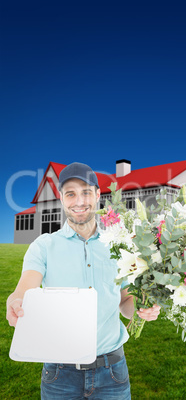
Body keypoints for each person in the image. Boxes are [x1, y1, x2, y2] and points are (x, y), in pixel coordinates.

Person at [6, 162, 160, 400]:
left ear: (98, 195)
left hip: (113, 371)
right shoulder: (43, 246)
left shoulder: (120, 244)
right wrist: (15, 301)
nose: (79, 201)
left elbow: (125, 300)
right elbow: (24, 289)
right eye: (71, 194)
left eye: (86, 192)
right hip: (59, 374)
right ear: (61, 198)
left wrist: (140, 308)